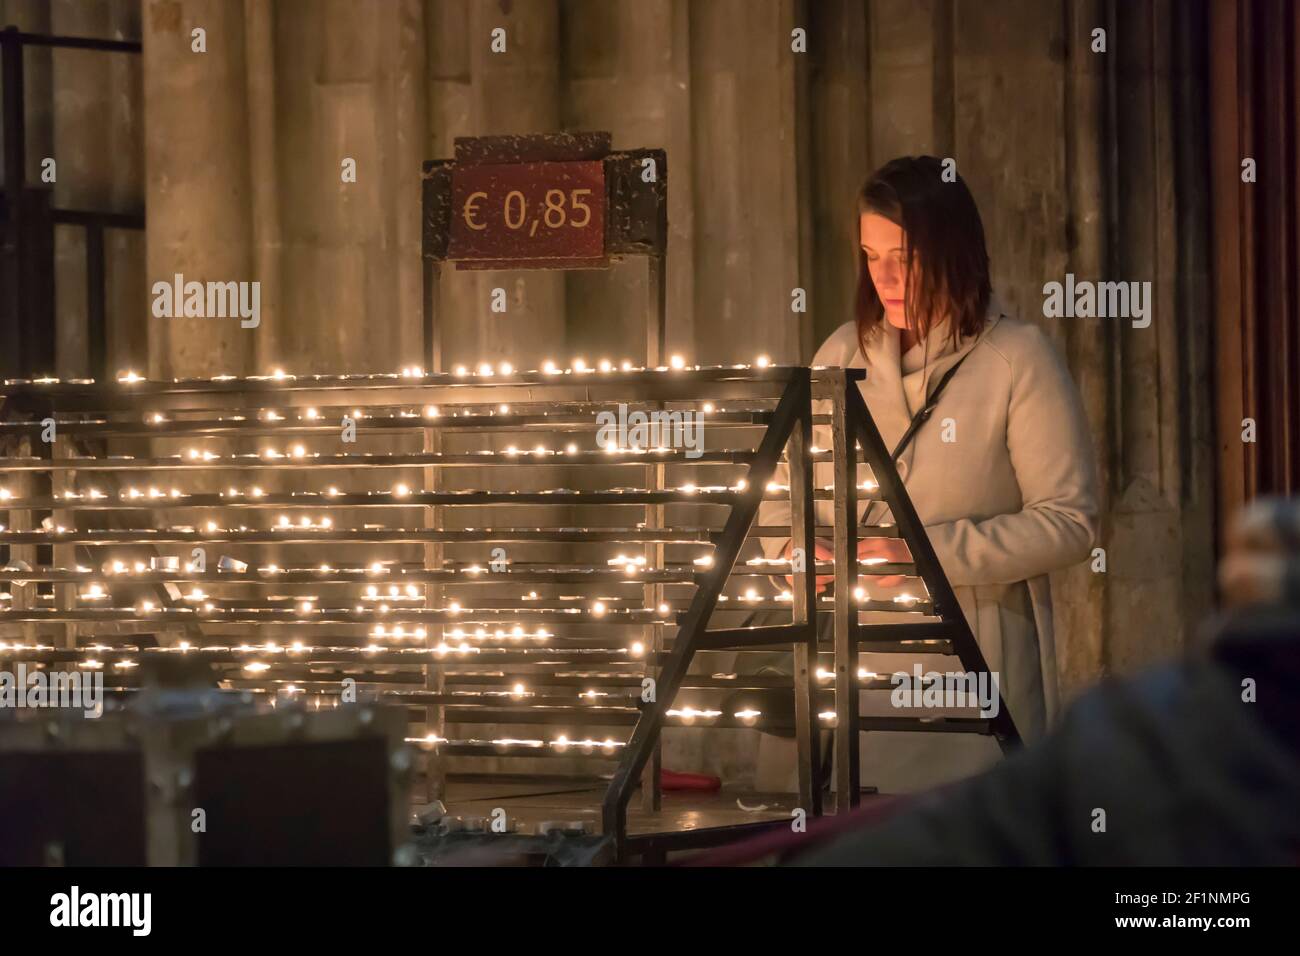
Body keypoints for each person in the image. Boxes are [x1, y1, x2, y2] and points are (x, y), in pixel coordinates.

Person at [752, 155, 1100, 794]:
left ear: (950, 248)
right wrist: (797, 549)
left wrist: (921, 555)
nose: (883, 277)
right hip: (851, 687)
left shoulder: (1017, 358)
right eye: (870, 254)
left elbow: (1070, 523)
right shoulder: (840, 354)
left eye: (904, 257)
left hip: (971, 676)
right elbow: (778, 500)